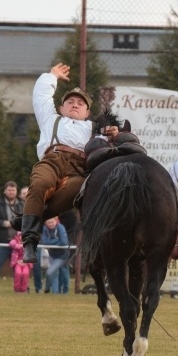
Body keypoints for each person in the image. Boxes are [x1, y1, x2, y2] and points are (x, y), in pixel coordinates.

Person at [18, 63, 117, 264]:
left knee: (82, 188)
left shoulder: (95, 129)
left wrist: (115, 134)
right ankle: (29, 243)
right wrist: (52, 76)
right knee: (39, 185)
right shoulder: (50, 119)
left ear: (87, 112)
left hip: (79, 169)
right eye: (70, 101)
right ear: (61, 108)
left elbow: (114, 145)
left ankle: (29, 219)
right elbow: (41, 96)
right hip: (52, 161)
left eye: (80, 104)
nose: (74, 104)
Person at [0, 181, 24, 292]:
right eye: (9, 190)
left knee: (19, 269)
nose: (11, 192)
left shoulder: (23, 205)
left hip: (18, 244)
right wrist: (5, 223)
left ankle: (21, 290)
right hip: (2, 242)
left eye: (13, 190)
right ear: (5, 191)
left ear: (16, 191)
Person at [40, 216, 69, 294]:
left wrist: (51, 242)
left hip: (62, 255)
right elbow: (45, 242)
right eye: (48, 222)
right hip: (52, 254)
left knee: (50, 272)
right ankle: (55, 292)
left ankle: (63, 290)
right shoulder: (45, 229)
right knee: (55, 274)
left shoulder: (61, 228)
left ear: (56, 221)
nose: (50, 224)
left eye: (52, 222)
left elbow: (64, 242)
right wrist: (56, 241)